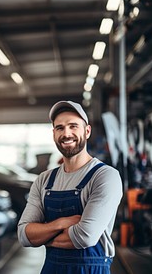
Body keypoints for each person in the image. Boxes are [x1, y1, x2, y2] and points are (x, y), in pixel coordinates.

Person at [17, 100, 123, 274]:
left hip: (90, 269)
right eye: (60, 128)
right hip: (51, 268)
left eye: (73, 126)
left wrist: (43, 236)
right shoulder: (44, 180)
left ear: (87, 131)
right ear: (53, 134)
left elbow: (85, 236)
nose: (66, 134)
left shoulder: (105, 176)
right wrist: (61, 223)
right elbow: (24, 234)